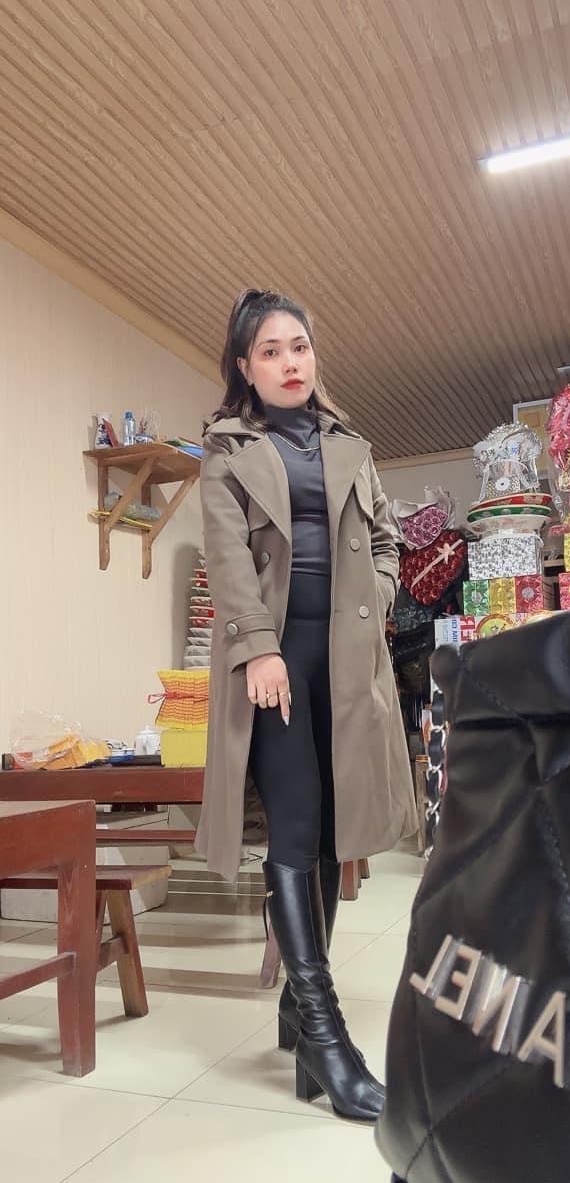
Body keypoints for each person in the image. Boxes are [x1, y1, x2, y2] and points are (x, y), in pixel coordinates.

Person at [195, 289, 417, 1123]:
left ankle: (296, 1008)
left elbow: (389, 541)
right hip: (275, 660)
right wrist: (259, 648)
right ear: (245, 368)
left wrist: (380, 594)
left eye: (300, 347)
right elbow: (227, 559)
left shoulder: (352, 446)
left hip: (349, 661)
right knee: (293, 828)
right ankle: (325, 1037)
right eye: (271, 351)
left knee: (329, 832)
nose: (290, 362)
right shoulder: (226, 452)